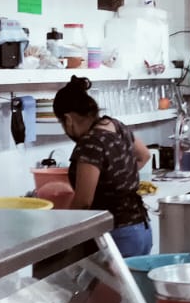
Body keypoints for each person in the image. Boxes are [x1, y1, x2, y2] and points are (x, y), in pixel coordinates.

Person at [53, 75, 154, 257]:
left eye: (61, 123)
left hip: (116, 234)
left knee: (97, 285)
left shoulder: (90, 144)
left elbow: (84, 202)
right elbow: (144, 155)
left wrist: (63, 234)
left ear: (68, 119)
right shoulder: (116, 125)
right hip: (140, 228)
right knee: (132, 285)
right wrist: (116, 180)